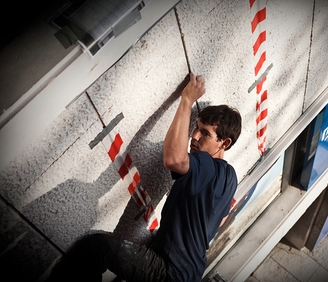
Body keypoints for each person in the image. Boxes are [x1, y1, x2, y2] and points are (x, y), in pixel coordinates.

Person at [47, 73, 242, 282]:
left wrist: (187, 100)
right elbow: (220, 218)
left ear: (225, 143)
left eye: (204, 133)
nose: (193, 136)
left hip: (168, 271)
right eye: (195, 127)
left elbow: (174, 159)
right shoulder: (230, 177)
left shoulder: (206, 164)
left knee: (96, 247)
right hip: (188, 274)